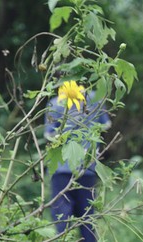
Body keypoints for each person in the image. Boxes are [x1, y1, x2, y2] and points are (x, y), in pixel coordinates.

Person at [44, 86, 110, 241]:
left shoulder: (55, 102)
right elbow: (106, 125)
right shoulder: (95, 98)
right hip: (87, 167)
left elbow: (49, 134)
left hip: (61, 168)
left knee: (62, 216)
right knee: (87, 217)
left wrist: (67, 134)